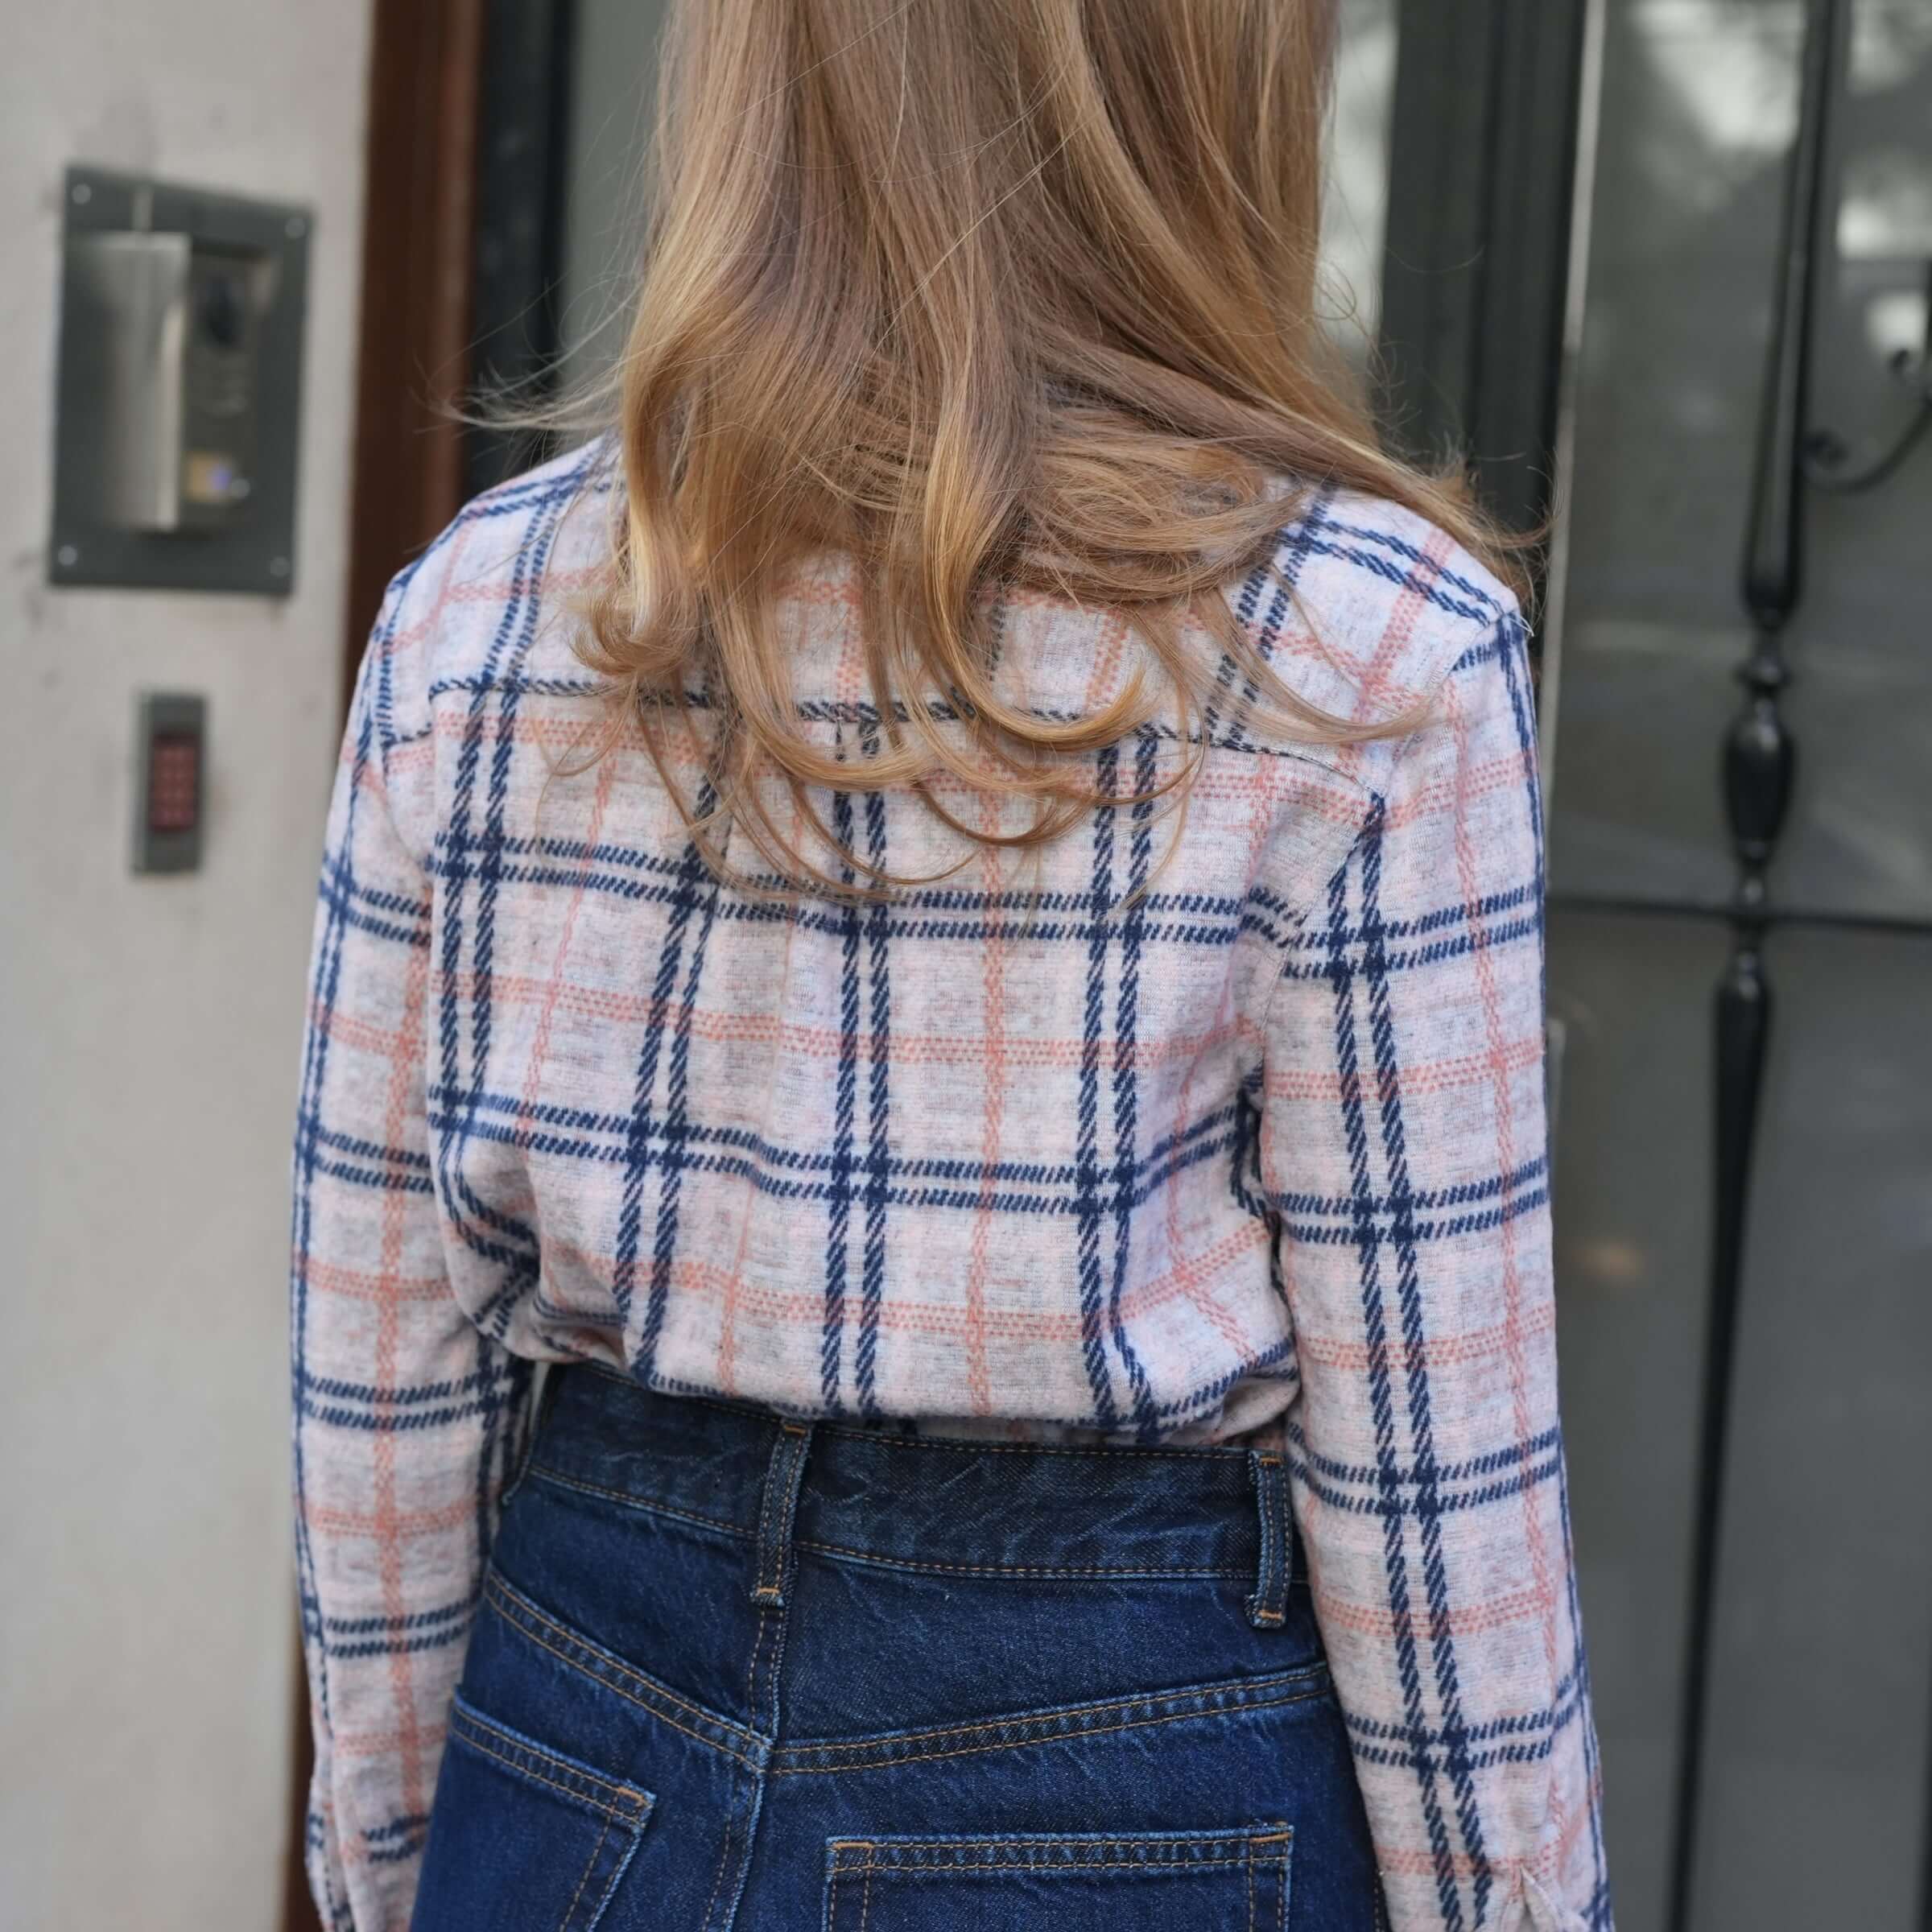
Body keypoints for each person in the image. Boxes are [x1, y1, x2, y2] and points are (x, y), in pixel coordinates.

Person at [291, 2, 1609, 1927]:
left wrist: (406, 1857)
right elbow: (1440, 1503)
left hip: (573, 1720)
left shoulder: (480, 622)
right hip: (1129, 1769)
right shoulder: (1372, 658)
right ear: (1210, 83)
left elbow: (382, 1378)